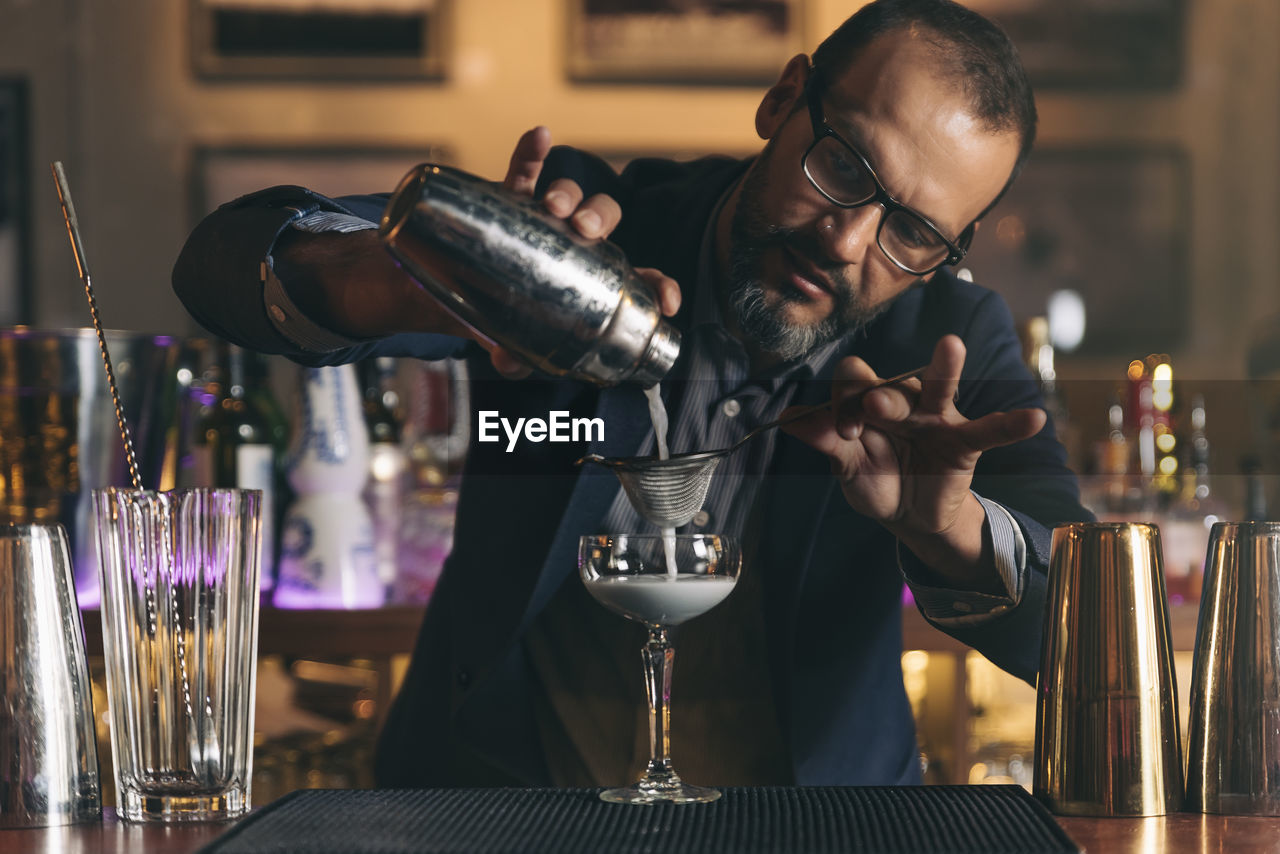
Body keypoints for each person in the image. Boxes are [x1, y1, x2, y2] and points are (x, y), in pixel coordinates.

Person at [173, 0, 1090, 787]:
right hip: (497, 814)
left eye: (917, 232)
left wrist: (953, 534)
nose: (850, 243)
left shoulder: (943, 347)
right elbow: (220, 266)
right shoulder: (592, 227)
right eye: (845, 167)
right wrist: (423, 278)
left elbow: (1084, 637)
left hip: (819, 827)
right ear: (783, 100)